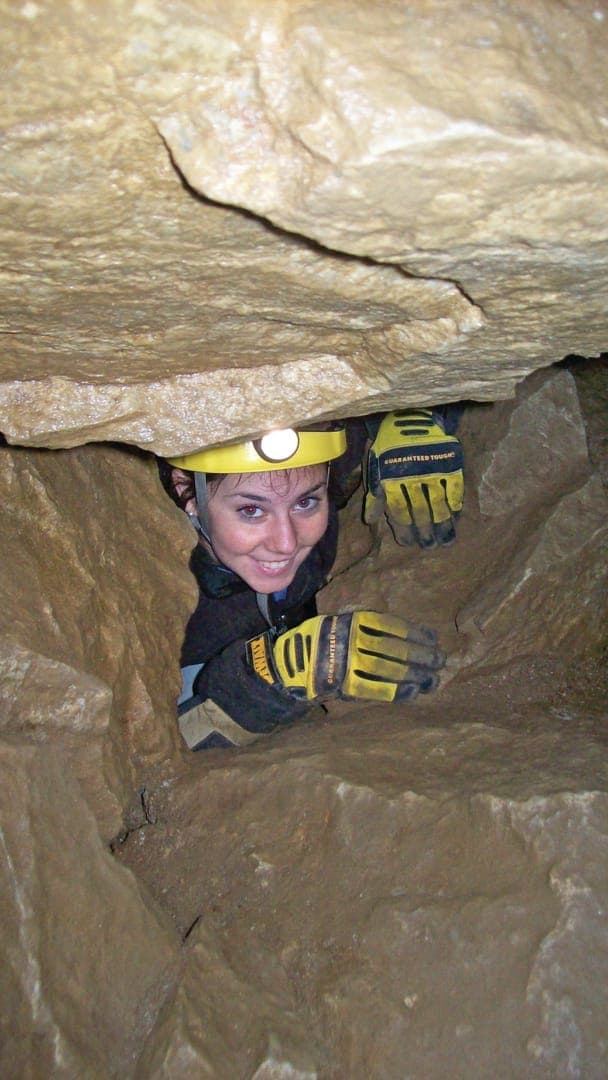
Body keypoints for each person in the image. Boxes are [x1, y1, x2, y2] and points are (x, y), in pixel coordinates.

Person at [160, 409, 464, 750]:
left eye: (306, 502)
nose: (286, 543)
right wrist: (272, 674)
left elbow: (456, 367)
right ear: (187, 491)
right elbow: (164, 743)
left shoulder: (319, 467)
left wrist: (410, 420)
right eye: (251, 510)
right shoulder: (174, 609)